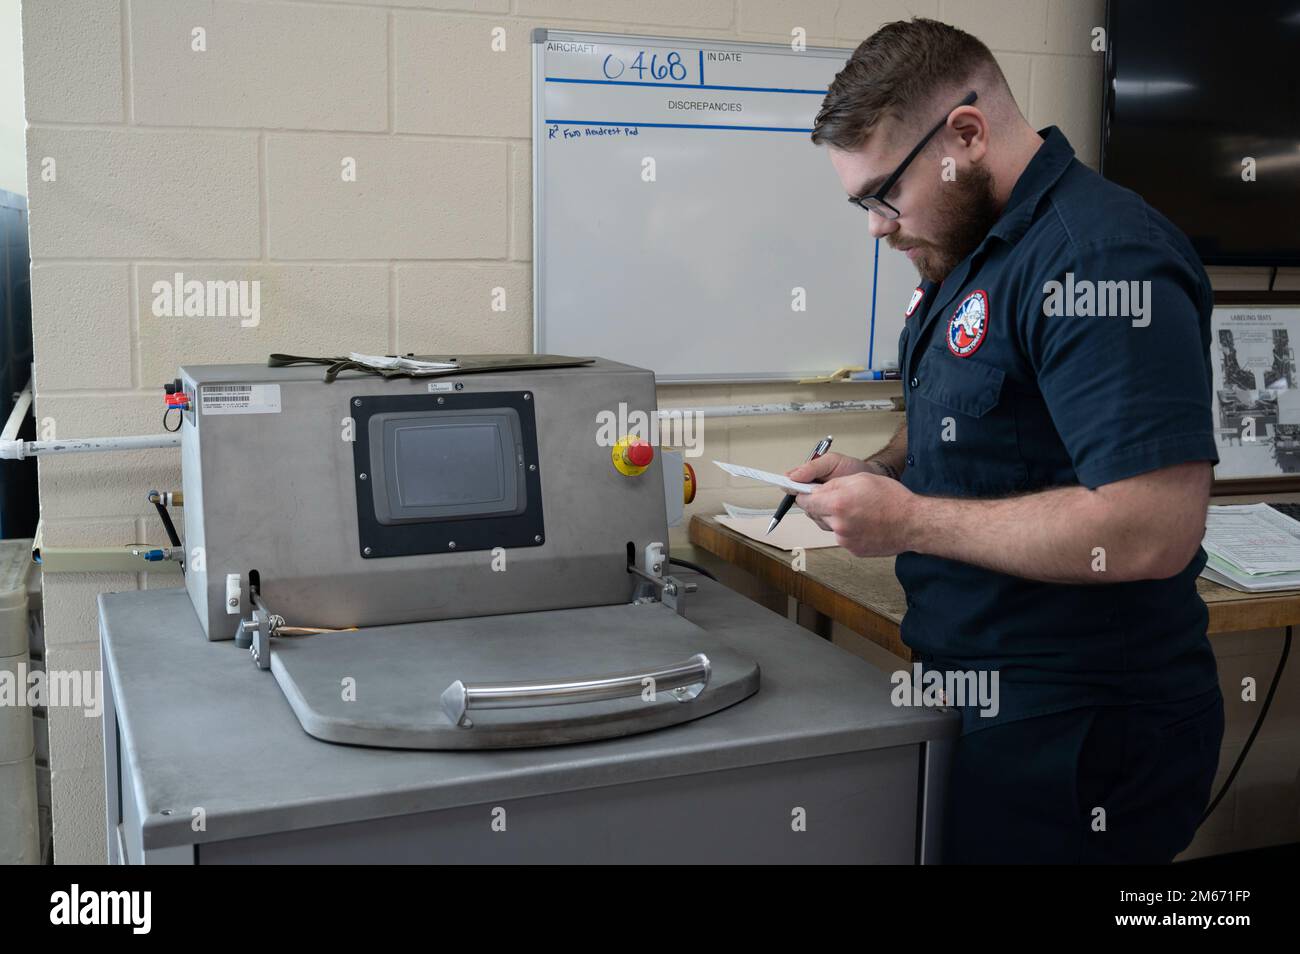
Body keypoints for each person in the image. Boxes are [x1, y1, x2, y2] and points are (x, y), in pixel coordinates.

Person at [788, 18, 1224, 863]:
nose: (878, 227)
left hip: (1082, 734)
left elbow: (1151, 528)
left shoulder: (1101, 262)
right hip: (982, 699)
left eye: (885, 194)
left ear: (966, 133)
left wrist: (908, 522)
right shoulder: (973, 248)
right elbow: (969, 418)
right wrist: (871, 471)